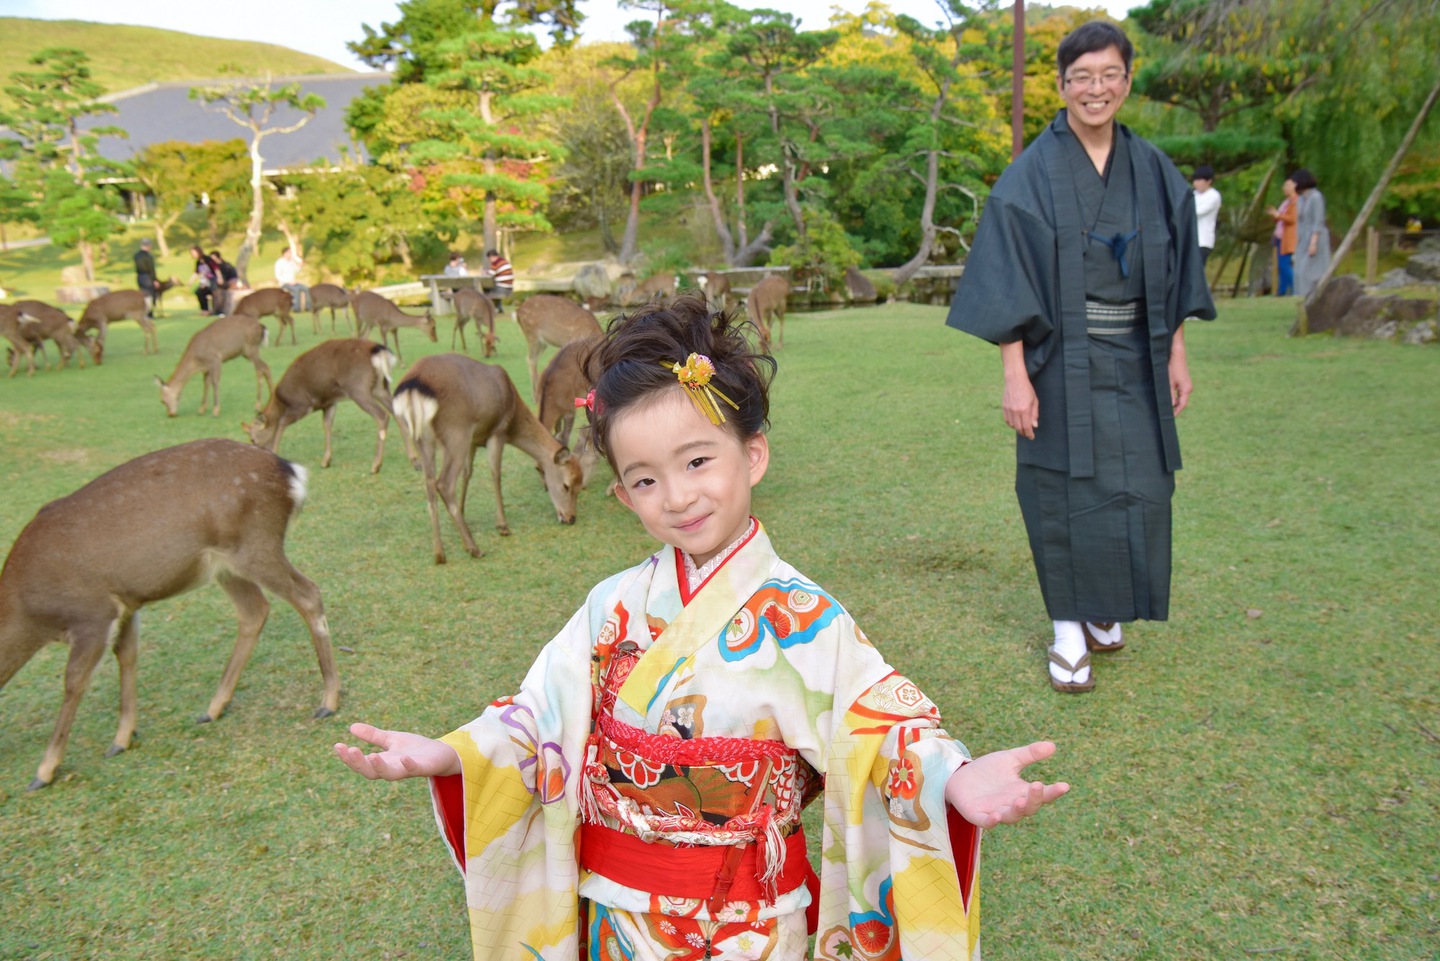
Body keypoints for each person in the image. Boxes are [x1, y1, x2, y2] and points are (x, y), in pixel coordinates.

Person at [336, 295, 1069, 960]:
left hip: (750, 926)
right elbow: (538, 717)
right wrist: (454, 754)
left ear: (752, 455)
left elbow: (880, 726)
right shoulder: (611, 605)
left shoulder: (804, 618)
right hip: (616, 915)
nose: (677, 496)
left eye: (696, 461)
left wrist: (953, 776)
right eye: (646, 479)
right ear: (622, 495)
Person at [944, 20, 1215, 693]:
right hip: (1059, 354)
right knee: (1063, 487)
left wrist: (1176, 350)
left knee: (1139, 484)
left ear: (1128, 80)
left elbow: (1177, 262)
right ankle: (1068, 625)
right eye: (1083, 77)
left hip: (1139, 352)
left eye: (1110, 75)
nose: (1097, 89)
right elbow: (1008, 270)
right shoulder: (1032, 173)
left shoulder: (1152, 168)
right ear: (1062, 85)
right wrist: (1015, 375)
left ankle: (1103, 607)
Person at [1291, 168, 1332, 299]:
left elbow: (1318, 221)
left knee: (1308, 270)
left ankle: (1314, 295)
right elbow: (1300, 221)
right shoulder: (1301, 199)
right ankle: (1301, 297)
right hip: (1303, 238)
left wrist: (1313, 243)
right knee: (1298, 270)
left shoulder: (1316, 197)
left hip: (1315, 237)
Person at [1267, 177, 1298, 296]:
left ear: (1294, 186)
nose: (1284, 188)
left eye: (1287, 186)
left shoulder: (1295, 202)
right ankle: (1282, 290)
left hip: (1288, 238)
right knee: (1281, 265)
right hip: (1280, 237)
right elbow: (1280, 217)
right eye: (1284, 186)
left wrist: (1278, 215)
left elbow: (1292, 219)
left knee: (1284, 265)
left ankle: (1296, 288)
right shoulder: (1286, 202)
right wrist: (1275, 214)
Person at [1192, 164, 1221, 271]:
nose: (1196, 183)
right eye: (1195, 180)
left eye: (1200, 180)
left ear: (1209, 181)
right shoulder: (1193, 194)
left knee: (1197, 270)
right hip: (1191, 238)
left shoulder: (1213, 196)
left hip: (1203, 240)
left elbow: (1198, 212)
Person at [274, 247, 309, 311]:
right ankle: (296, 308)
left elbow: (295, 270)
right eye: (289, 253)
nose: (290, 254)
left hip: (293, 282)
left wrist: (300, 266)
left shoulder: (291, 262)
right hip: (285, 283)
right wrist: (288, 281)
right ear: (285, 253)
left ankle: (308, 307)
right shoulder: (279, 262)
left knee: (305, 288)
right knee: (296, 289)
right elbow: (278, 276)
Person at [190, 245, 219, 313]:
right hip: (205, 282)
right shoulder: (198, 262)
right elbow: (196, 272)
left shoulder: (208, 259)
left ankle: (215, 310)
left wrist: (220, 278)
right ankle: (205, 310)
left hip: (212, 281)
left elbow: (216, 269)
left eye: (193, 253)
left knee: (214, 293)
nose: (192, 254)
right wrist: (190, 281)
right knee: (199, 292)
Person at [133, 239, 157, 318]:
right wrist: (155, 280)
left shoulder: (136, 255)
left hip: (139, 277)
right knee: (150, 295)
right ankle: (149, 313)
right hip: (147, 277)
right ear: (148, 246)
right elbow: (151, 269)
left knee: (143, 295)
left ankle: (143, 312)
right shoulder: (148, 256)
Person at [486, 247, 513, 314]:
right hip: (509, 287)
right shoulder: (504, 261)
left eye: (489, 259)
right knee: (492, 289)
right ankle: (498, 307)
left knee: (486, 291)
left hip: (502, 287)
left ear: (492, 257)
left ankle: (493, 309)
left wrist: (485, 272)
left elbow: (489, 275)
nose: (489, 261)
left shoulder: (496, 263)